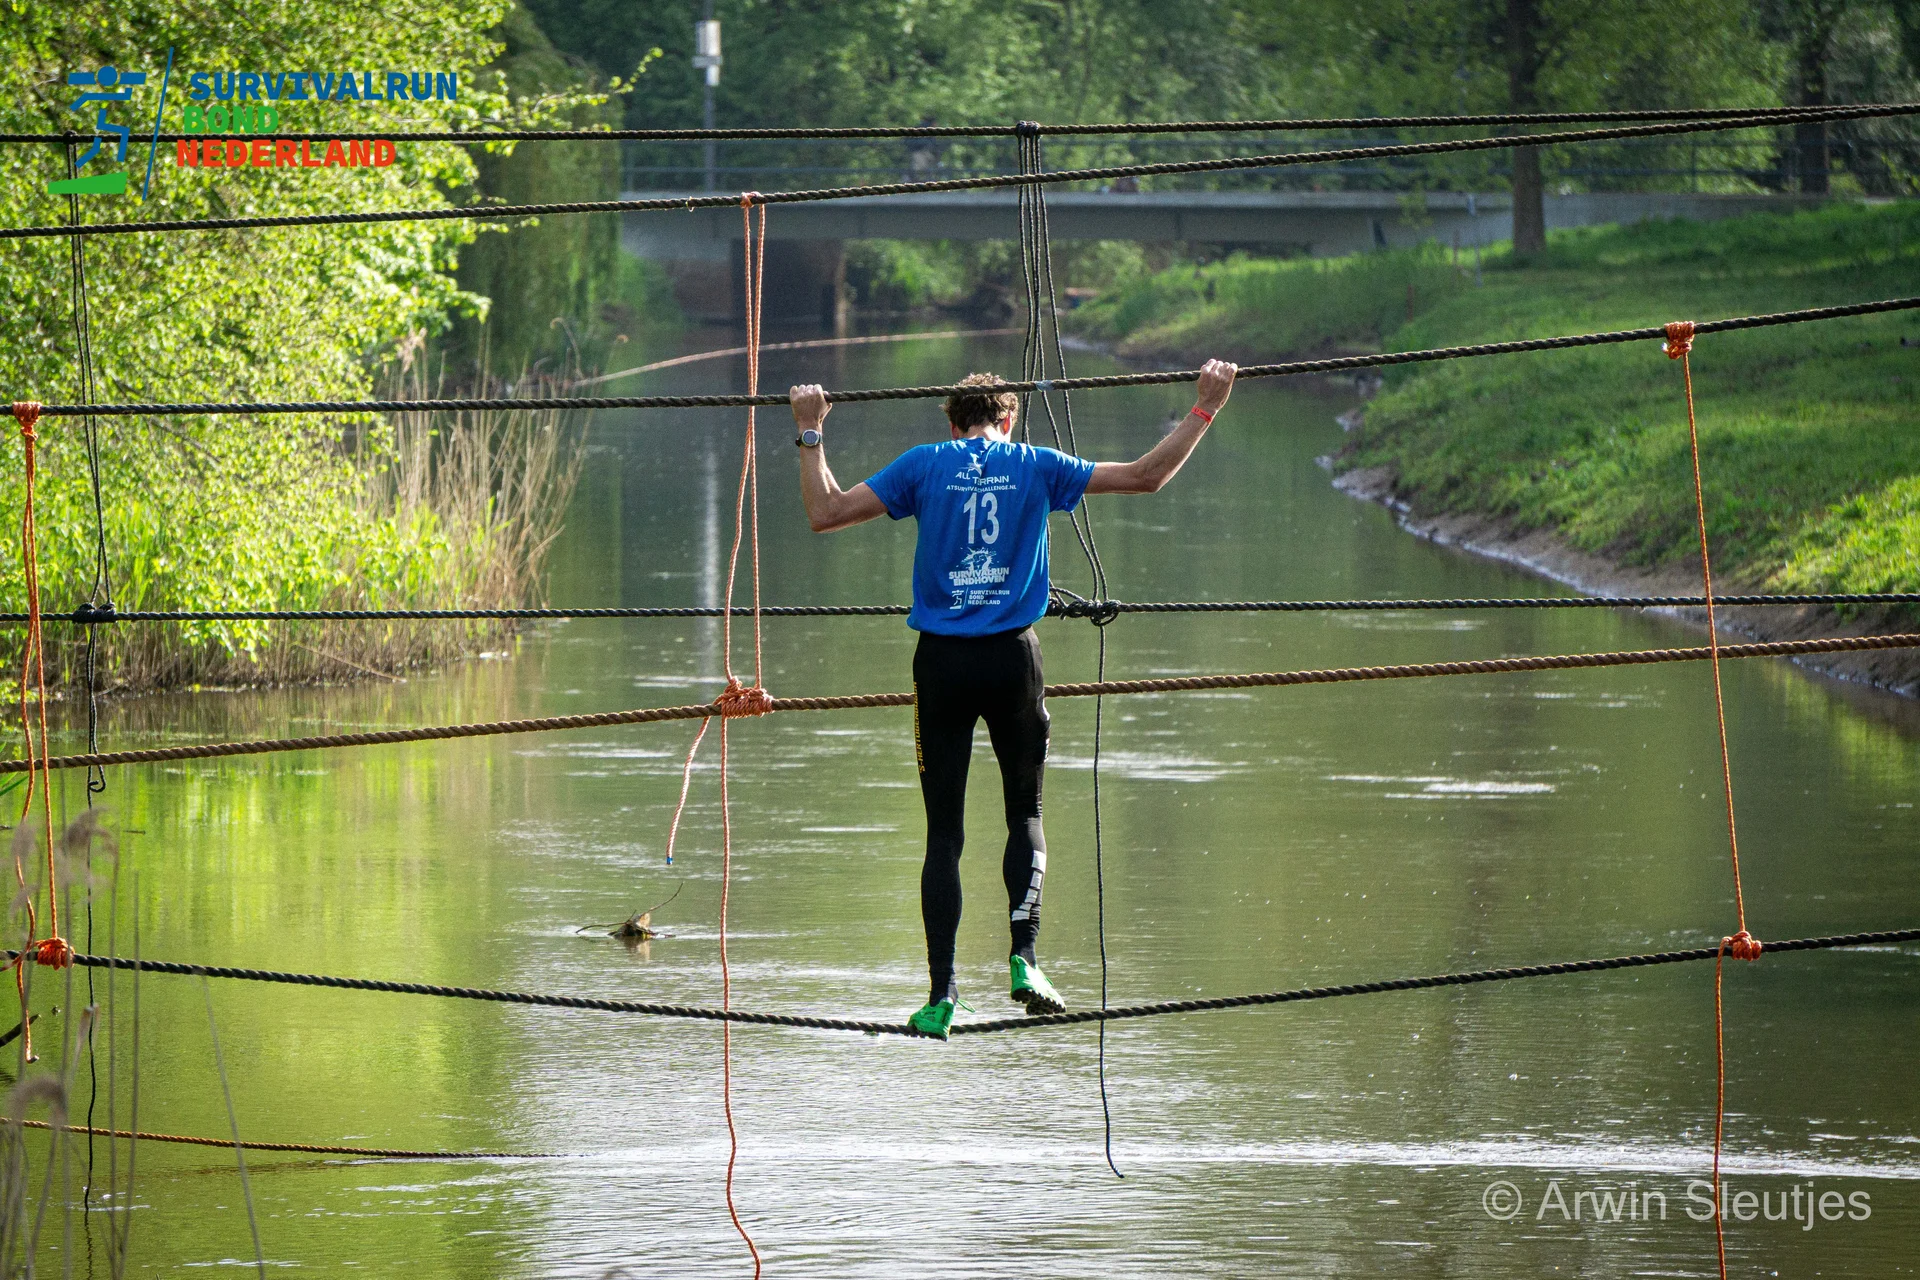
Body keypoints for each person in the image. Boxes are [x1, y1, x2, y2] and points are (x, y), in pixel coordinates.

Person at [790, 360, 1237, 1038]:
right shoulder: (1036, 463)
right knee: (1024, 812)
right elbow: (1147, 476)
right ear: (1008, 419)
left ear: (952, 423)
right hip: (1012, 663)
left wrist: (810, 430)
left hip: (941, 664)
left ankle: (941, 994)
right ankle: (1024, 959)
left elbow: (825, 513)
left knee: (944, 834)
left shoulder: (923, 464)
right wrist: (1206, 406)